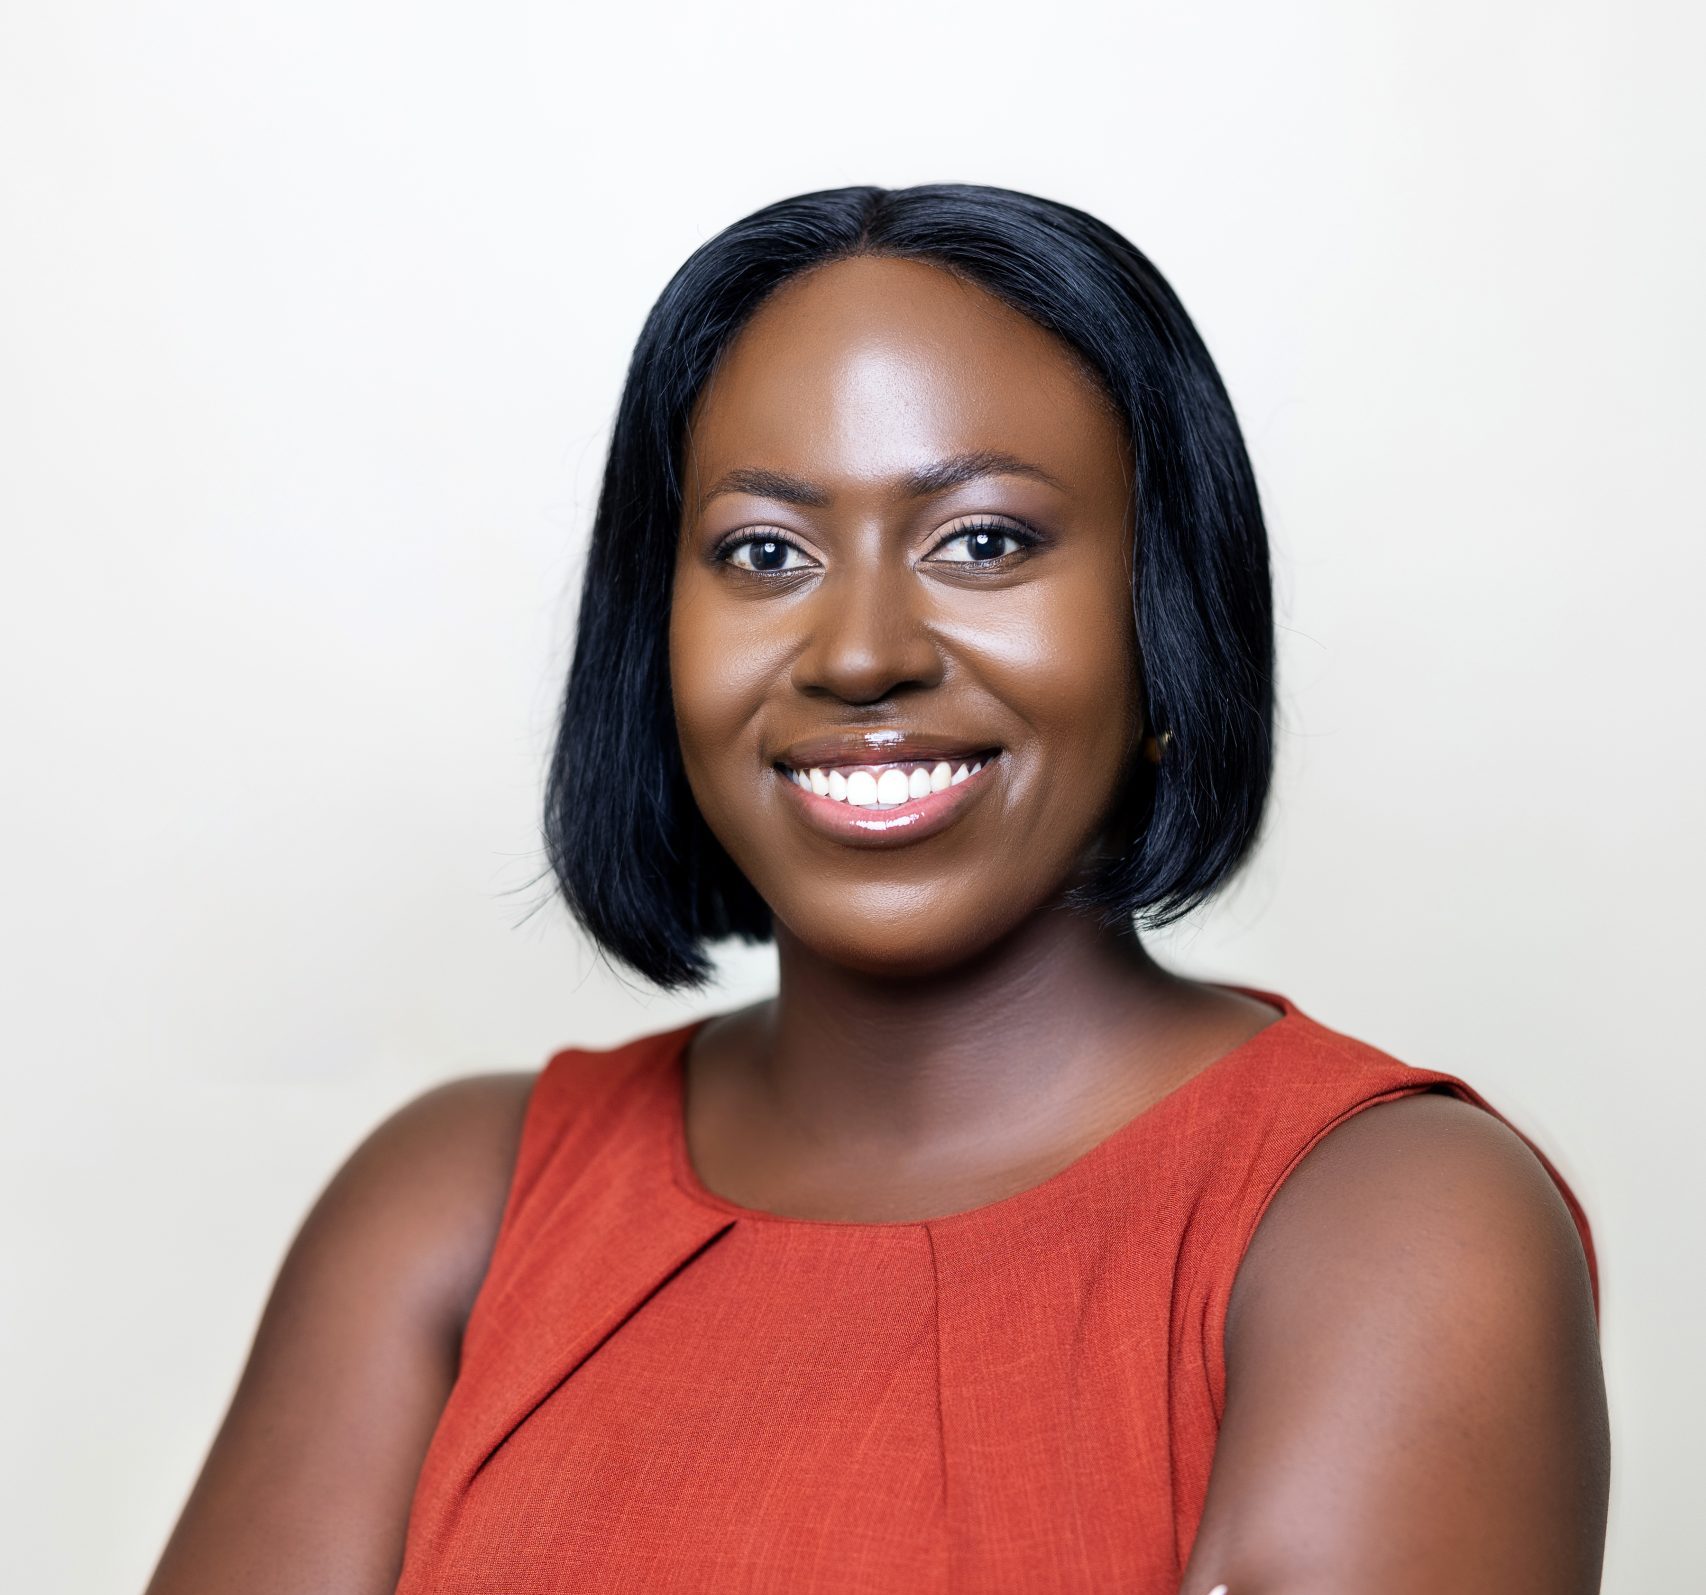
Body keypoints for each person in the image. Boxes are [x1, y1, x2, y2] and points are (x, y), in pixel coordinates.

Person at [145, 184, 1609, 1594]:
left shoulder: (1383, 1221)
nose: (859, 654)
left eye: (984, 541)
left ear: (1166, 609)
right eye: (763, 551)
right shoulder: (452, 1205)